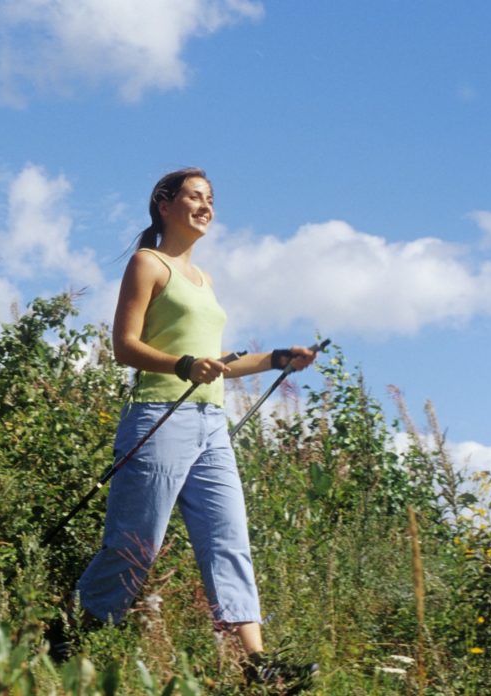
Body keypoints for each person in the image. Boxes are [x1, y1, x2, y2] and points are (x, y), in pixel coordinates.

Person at [64, 168, 318, 689]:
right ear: (164, 204)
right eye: (195, 197)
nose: (206, 206)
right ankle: (70, 634)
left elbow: (218, 363)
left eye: (211, 199)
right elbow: (123, 346)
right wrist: (182, 365)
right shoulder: (148, 264)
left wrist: (276, 358)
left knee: (228, 541)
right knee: (136, 543)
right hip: (160, 415)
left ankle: (254, 665)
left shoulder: (206, 281)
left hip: (211, 425)